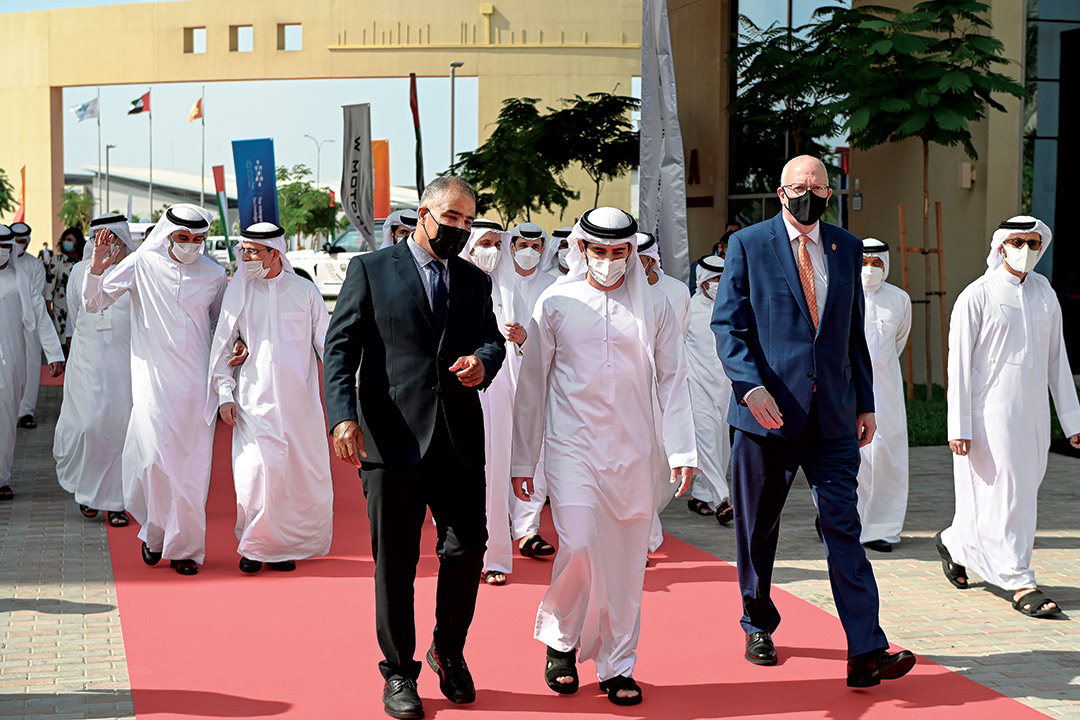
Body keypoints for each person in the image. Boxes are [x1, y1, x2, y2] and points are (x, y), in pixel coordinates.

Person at [712, 155, 914, 686]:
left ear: (830, 194)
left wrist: (865, 403)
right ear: (780, 191)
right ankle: (757, 622)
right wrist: (750, 389)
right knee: (758, 528)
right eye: (799, 186)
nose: (808, 194)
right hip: (766, 417)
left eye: (818, 187)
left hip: (833, 420)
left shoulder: (847, 248)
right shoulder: (748, 245)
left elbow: (853, 336)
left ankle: (866, 649)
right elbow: (728, 327)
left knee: (843, 526)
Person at [323, 176, 505, 720]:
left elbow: (491, 338)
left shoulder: (474, 281)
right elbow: (340, 349)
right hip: (391, 442)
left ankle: (448, 650)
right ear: (423, 214)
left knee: (465, 550)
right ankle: (399, 673)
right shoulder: (371, 270)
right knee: (395, 565)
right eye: (452, 218)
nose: (461, 230)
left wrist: (484, 361)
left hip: (458, 442)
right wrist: (342, 418)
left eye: (469, 222)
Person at [510, 207, 697, 707]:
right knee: (577, 543)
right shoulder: (556, 300)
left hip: (636, 452)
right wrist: (521, 461)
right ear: (580, 249)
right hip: (572, 448)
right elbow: (531, 387)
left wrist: (682, 449)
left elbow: (673, 380)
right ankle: (561, 640)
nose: (610, 261)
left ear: (633, 253)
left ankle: (618, 665)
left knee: (625, 560)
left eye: (620, 253)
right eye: (600, 251)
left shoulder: (655, 305)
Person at [938, 216, 1080, 618]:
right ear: (1001, 245)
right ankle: (1019, 580)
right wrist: (959, 424)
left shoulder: (1044, 293)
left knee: (1020, 490)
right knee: (1006, 494)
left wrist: (1073, 420)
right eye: (1018, 242)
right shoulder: (977, 295)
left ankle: (953, 542)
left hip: (1032, 412)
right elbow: (959, 366)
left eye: (1034, 244)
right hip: (988, 413)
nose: (1026, 250)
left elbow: (1057, 360)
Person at [84, 204, 227, 576]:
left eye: (199, 240)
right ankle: (154, 532)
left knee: (192, 471)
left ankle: (187, 550)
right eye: (184, 238)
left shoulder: (213, 273)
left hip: (197, 387)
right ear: (167, 235)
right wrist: (98, 268)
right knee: (151, 464)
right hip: (151, 383)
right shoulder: (142, 264)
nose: (192, 246)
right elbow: (95, 301)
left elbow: (220, 326)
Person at [208, 222, 332, 574]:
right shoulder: (241, 293)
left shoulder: (304, 292)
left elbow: (326, 344)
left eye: (252, 251)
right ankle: (253, 545)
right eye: (243, 250)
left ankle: (280, 547)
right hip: (252, 402)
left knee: (291, 478)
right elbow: (221, 346)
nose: (245, 257)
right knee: (254, 475)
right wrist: (223, 393)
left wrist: (355, 381)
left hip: (299, 407)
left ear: (274, 253)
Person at [54, 214, 135, 526]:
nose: (105, 244)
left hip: (124, 363)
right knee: (88, 426)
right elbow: (76, 313)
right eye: (99, 237)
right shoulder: (78, 271)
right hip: (87, 361)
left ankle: (116, 502)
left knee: (121, 429)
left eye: (111, 237)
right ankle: (88, 494)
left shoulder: (134, 270)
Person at [459, 218, 517, 586]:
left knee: (495, 474)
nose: (491, 251)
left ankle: (495, 555)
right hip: (460, 386)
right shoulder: (457, 282)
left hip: (501, 391)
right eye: (484, 243)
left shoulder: (512, 287)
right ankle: (462, 552)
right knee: (461, 476)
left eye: (497, 244)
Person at [504, 223, 557, 561]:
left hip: (538, 380)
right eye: (522, 244)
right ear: (510, 247)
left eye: (536, 246)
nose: (529, 250)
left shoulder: (553, 287)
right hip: (494, 381)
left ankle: (527, 528)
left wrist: (528, 340)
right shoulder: (493, 282)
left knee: (534, 451)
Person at [0, 225, 65, 502]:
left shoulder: (21, 280)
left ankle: (1, 479)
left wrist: (54, 354)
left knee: (4, 422)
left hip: (11, 360)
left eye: (5, 247)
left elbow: (39, 317)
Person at [637, 232, 692, 554]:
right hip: (632, 391)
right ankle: (643, 532)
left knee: (661, 461)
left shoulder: (676, 290)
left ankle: (648, 517)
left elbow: (679, 335)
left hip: (666, 388)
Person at [855, 238, 911, 552]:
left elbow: (898, 343)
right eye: (864, 262)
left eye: (877, 263)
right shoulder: (841, 294)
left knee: (888, 457)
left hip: (886, 393)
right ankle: (840, 521)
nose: (870, 269)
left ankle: (883, 529)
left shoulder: (900, 300)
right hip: (846, 387)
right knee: (850, 458)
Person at [685, 255, 733, 524]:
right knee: (706, 440)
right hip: (696, 386)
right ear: (702, 280)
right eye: (714, 279)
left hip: (726, 388)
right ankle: (722, 498)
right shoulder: (688, 309)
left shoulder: (733, 307)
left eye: (722, 278)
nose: (719, 284)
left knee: (721, 444)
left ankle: (700, 495)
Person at [9, 223, 50, 430]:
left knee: (32, 366)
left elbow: (36, 295)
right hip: (6, 323)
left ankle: (26, 412)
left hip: (30, 325)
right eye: (15, 241)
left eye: (23, 241)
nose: (19, 245)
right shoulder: (4, 264)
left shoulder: (35, 265)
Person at [45, 226, 85, 350]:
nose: (65, 242)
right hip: (60, 309)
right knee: (63, 345)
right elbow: (49, 284)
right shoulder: (58, 260)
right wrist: (48, 307)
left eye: (69, 239)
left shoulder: (83, 261)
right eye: (64, 239)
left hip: (79, 308)